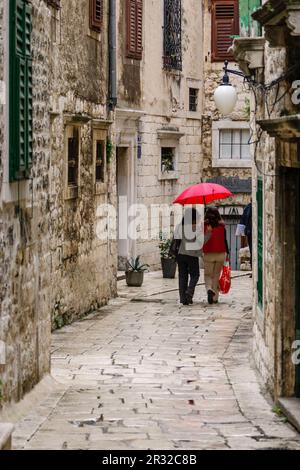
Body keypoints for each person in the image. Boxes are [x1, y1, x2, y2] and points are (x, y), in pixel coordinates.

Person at [174, 208, 211, 306]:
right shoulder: (196, 228)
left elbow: (176, 239)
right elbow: (201, 242)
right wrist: (209, 233)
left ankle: (183, 299)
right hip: (192, 254)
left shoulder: (179, 226)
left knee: (182, 276)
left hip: (181, 254)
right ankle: (189, 293)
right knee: (195, 275)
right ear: (194, 218)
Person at [203, 207, 229, 305]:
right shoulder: (222, 226)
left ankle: (209, 289)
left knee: (208, 275)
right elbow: (225, 240)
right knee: (216, 276)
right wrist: (228, 253)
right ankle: (215, 298)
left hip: (208, 253)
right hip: (220, 253)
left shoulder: (204, 226)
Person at [236, 202, 252, 267]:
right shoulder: (248, 207)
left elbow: (242, 220)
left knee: (252, 250)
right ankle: (253, 269)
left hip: (249, 232)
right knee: (253, 250)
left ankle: (253, 269)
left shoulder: (247, 207)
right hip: (250, 231)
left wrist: (240, 232)